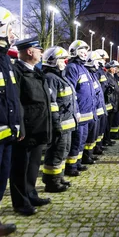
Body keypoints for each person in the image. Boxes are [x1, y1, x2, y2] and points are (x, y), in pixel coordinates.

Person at [11, 37, 52, 216]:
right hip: (26, 128)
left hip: (38, 126)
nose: (41, 53)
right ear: (29, 51)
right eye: (39, 50)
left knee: (33, 165)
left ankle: (31, 193)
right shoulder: (17, 71)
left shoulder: (36, 71)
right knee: (20, 167)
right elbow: (16, 101)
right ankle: (21, 202)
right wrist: (20, 125)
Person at [41, 46, 77, 192]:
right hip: (60, 123)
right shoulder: (50, 78)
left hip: (67, 123)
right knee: (56, 152)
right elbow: (52, 103)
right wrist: (56, 124)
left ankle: (59, 176)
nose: (65, 62)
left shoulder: (60, 76)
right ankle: (51, 182)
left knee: (63, 151)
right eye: (62, 59)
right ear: (53, 61)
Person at [0, 7, 19, 234]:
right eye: (8, 27)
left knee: (1, 179)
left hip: (6, 133)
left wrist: (17, 126)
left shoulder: (4, 61)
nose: (12, 33)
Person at [65, 40, 96, 176]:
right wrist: (75, 110)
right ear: (74, 52)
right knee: (76, 141)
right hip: (79, 113)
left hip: (87, 113)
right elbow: (71, 92)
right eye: (81, 50)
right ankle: (71, 167)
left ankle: (77, 163)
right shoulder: (72, 67)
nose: (84, 53)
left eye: (85, 51)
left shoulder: (83, 68)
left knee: (82, 140)